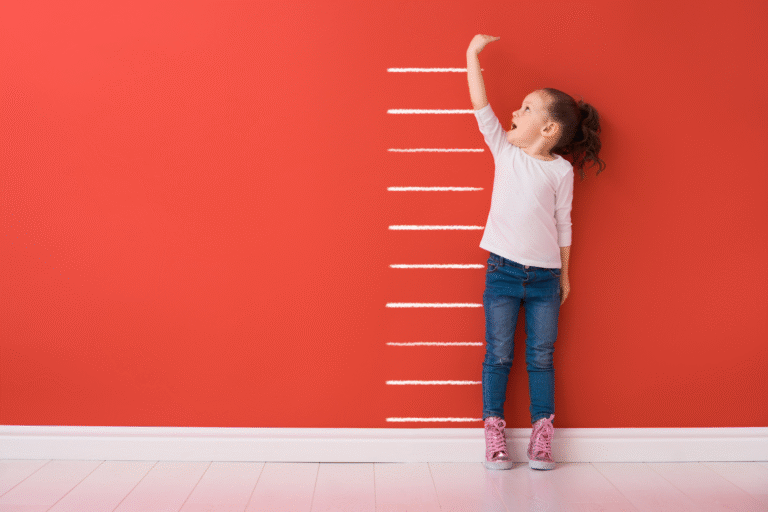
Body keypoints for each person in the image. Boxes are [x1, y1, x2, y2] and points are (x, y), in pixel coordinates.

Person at [466, 34, 606, 471]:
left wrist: (564, 275)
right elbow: (481, 107)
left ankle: (542, 436)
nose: (513, 111)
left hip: (545, 279)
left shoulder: (561, 170)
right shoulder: (505, 152)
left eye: (526, 108)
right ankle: (494, 432)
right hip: (502, 273)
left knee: (541, 357)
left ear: (549, 129)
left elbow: (564, 222)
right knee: (499, 353)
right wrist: (472, 55)